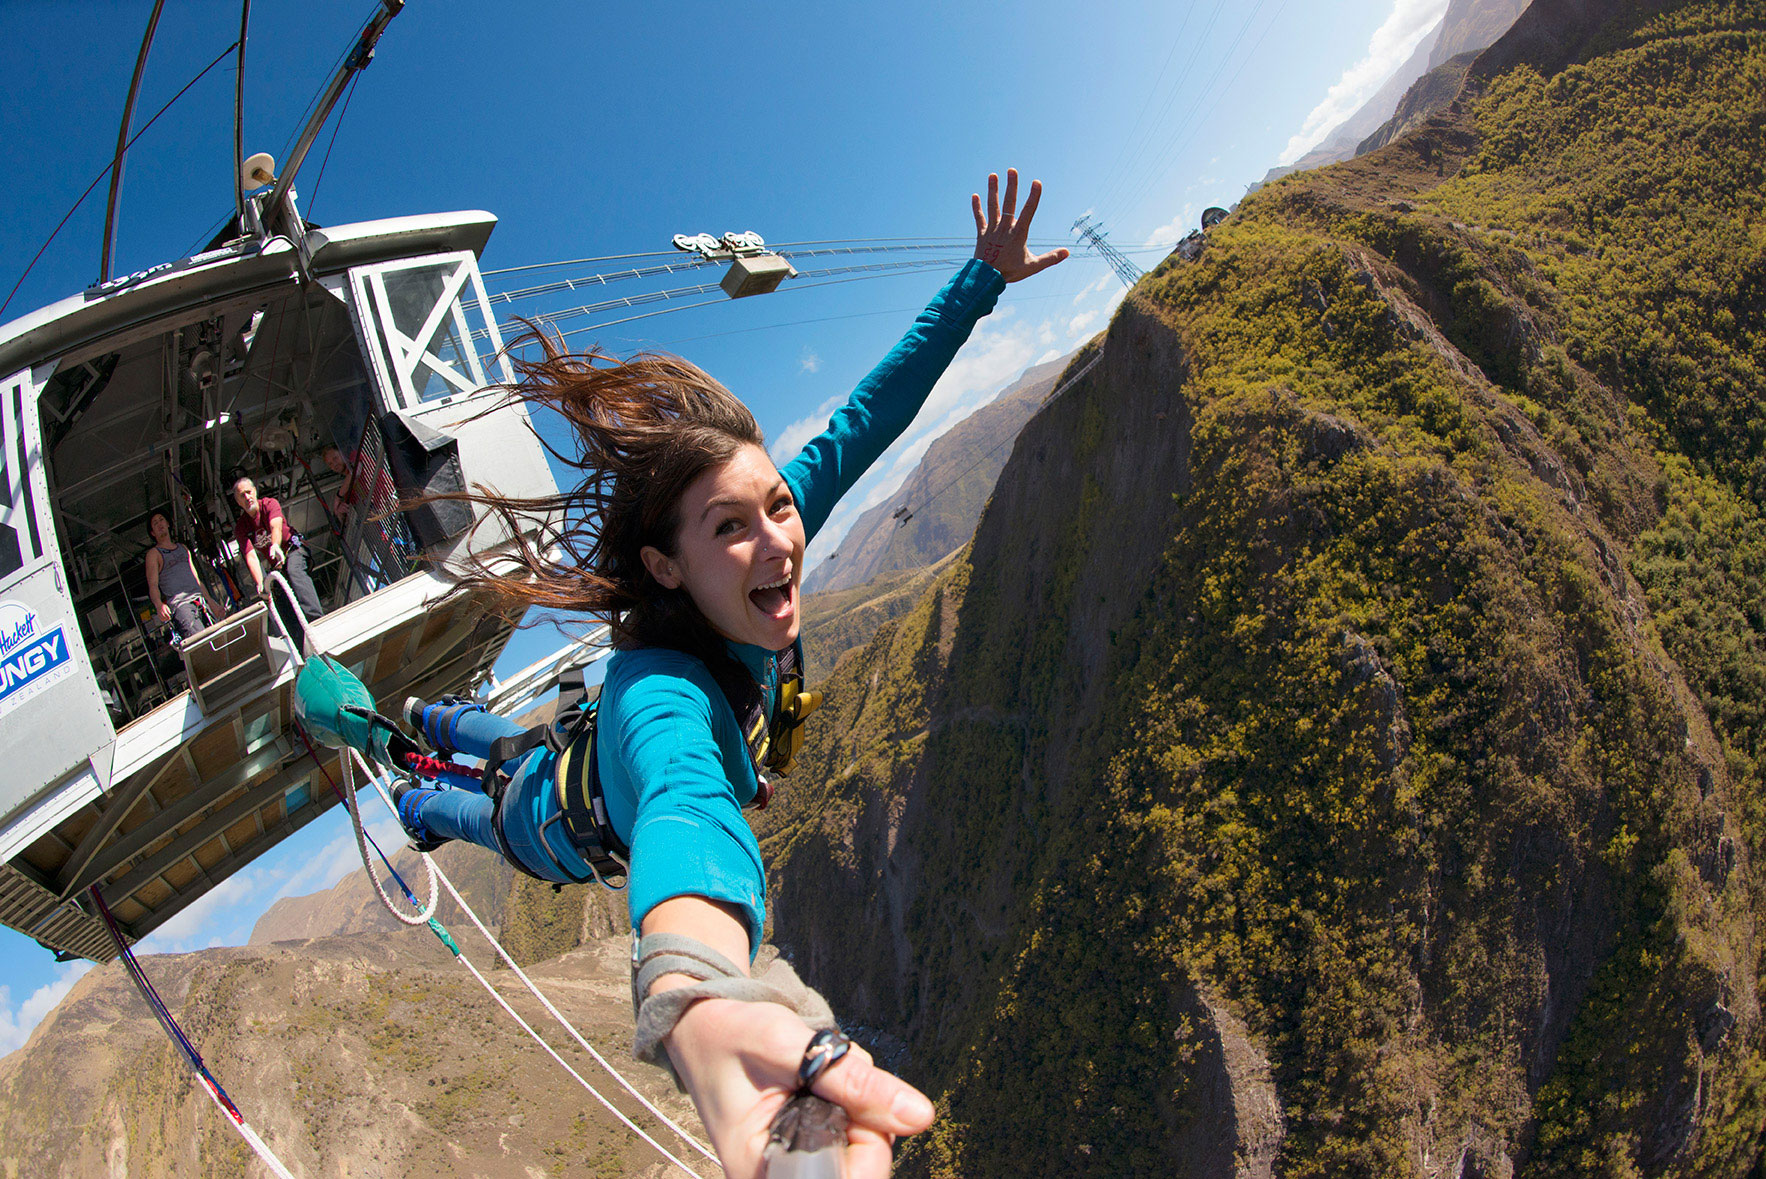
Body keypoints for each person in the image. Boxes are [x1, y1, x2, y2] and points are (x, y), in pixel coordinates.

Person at [390, 171, 1065, 1178]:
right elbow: (680, 801)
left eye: (776, 508)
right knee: (473, 808)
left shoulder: (765, 534)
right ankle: (410, 781)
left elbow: (872, 410)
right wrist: (699, 987)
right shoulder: (659, 695)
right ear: (666, 566)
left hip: (569, 754)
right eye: (729, 529)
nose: (775, 542)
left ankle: (435, 724)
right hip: (557, 823)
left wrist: (980, 281)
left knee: (507, 744)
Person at [232, 475, 324, 643]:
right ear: (238, 502)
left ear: (255, 492)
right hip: (277, 564)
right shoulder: (241, 527)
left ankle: (316, 621)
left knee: (294, 571)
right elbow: (250, 555)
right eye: (241, 496)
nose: (247, 497)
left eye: (248, 492)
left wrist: (275, 544)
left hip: (293, 549)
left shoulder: (269, 504)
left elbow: (276, 525)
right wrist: (260, 582)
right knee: (275, 595)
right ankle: (298, 640)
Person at [144, 511, 220, 642]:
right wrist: (159, 605)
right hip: (182, 606)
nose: (159, 524)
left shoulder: (183, 548)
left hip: (200, 602)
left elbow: (196, 579)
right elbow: (153, 585)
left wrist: (210, 601)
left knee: (218, 640)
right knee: (201, 643)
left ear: (168, 524)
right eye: (155, 523)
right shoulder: (154, 554)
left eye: (161, 520)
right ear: (152, 533)